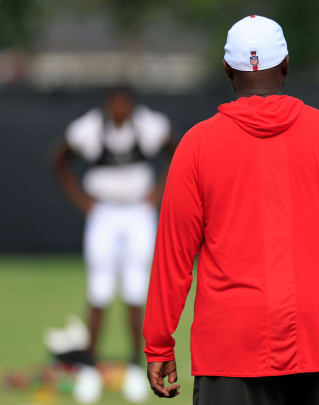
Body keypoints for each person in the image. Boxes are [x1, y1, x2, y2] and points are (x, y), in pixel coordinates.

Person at [142, 15, 319, 405]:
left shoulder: (197, 145)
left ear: (227, 69)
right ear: (287, 64)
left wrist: (159, 344)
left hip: (233, 340)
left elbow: (172, 259)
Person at [52, 87, 173, 403]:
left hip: (138, 213)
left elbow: (176, 151)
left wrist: (156, 195)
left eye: (125, 107)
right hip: (104, 212)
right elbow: (59, 159)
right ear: (107, 107)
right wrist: (82, 200)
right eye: (115, 107)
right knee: (99, 291)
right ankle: (89, 369)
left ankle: (136, 365)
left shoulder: (149, 126)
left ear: (132, 107)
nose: (120, 112)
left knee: (136, 291)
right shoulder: (90, 128)